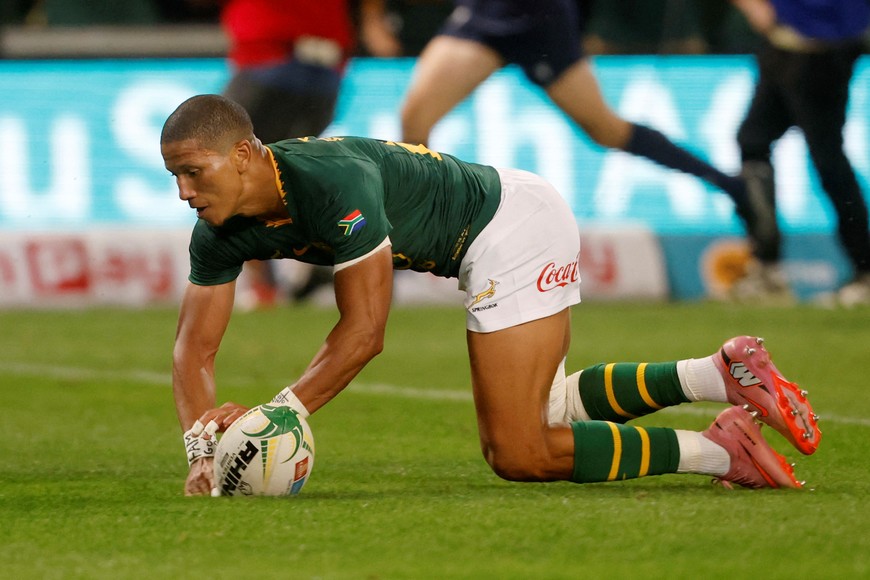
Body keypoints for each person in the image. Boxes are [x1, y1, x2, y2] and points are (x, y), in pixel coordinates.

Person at [162, 94, 822, 496]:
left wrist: (279, 415)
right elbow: (194, 349)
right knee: (552, 408)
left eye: (194, 172)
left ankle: (721, 452)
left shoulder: (333, 185)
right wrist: (202, 454)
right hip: (493, 224)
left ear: (245, 155)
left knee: (521, 450)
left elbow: (364, 331)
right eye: (175, 177)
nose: (185, 192)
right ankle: (719, 374)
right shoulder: (217, 231)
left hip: (511, 227)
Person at [398, 0, 762, 237]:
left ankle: (737, 189)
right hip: (488, 11)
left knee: (606, 130)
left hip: (541, 16)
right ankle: (423, 236)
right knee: (414, 120)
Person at [729, 0, 870, 306]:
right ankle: (768, 268)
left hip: (820, 45)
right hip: (787, 41)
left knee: (827, 158)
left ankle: (865, 270)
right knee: (753, 141)